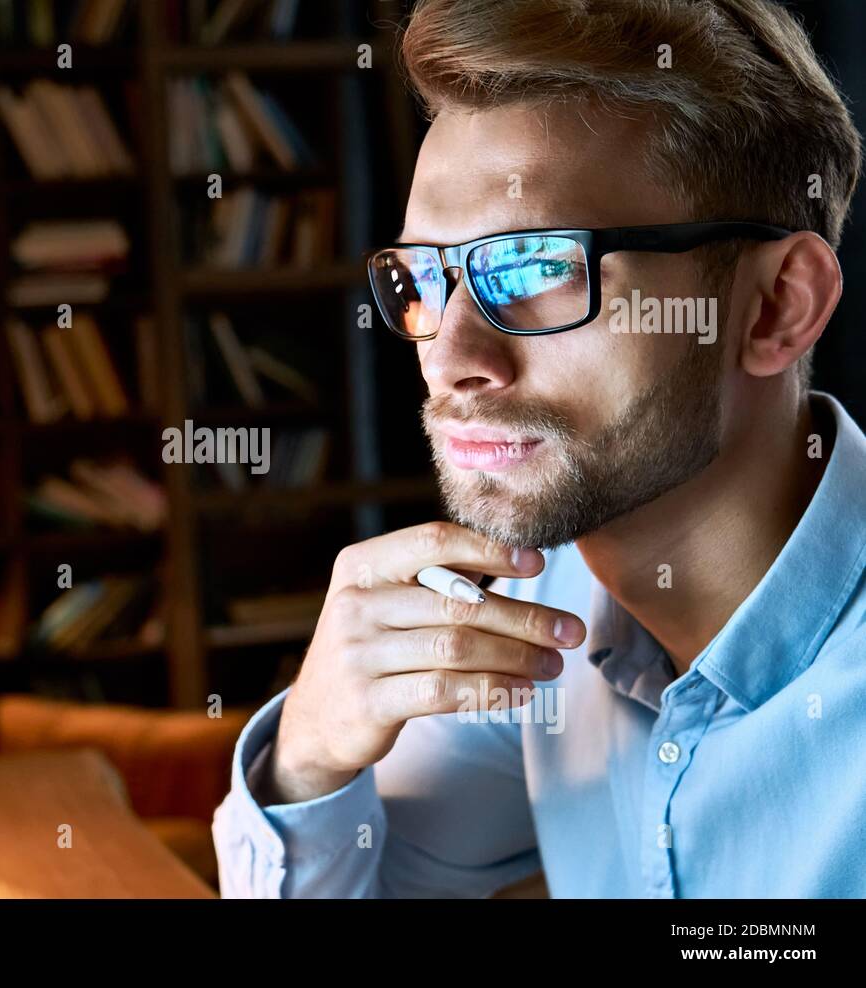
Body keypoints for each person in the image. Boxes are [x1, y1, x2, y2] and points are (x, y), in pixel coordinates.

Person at [212, 0, 866, 897]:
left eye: (536, 267)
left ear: (777, 306)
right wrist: (309, 761)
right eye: (424, 277)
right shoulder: (546, 603)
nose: (450, 358)